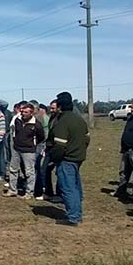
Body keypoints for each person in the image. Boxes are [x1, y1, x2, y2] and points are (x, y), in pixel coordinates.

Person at [48, 92, 90, 226]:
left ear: (59, 107)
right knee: (75, 187)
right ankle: (77, 214)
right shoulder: (80, 119)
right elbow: (87, 138)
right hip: (78, 157)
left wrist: (54, 158)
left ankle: (73, 217)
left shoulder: (62, 122)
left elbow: (60, 146)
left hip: (66, 159)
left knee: (68, 188)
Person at [5, 103, 45, 199]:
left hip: (29, 150)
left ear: (31, 113)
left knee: (29, 172)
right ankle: (12, 190)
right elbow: (14, 132)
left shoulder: (36, 124)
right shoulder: (17, 121)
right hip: (16, 149)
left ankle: (29, 193)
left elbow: (41, 137)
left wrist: (31, 144)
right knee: (13, 170)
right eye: (22, 111)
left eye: (26, 112)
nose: (23, 114)